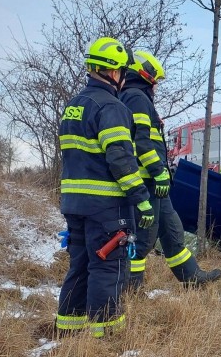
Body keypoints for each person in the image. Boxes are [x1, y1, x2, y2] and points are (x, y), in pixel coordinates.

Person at [56, 37, 154, 338]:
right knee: (107, 267)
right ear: (115, 73)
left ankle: (68, 329)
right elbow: (120, 159)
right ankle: (106, 335)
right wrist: (141, 199)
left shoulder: (73, 106)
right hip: (106, 205)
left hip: (74, 203)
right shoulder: (112, 107)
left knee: (81, 265)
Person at [119, 49, 221, 291]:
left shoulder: (134, 98)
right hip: (147, 183)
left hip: (155, 186)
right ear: (145, 76)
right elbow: (142, 143)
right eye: (154, 82)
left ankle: (192, 277)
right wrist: (158, 171)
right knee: (143, 240)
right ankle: (130, 291)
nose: (156, 87)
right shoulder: (136, 97)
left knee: (172, 230)